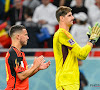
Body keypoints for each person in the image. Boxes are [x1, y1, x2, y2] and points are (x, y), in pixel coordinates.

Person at [53, 6, 100, 90]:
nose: (73, 18)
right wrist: (91, 41)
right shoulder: (62, 34)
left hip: (69, 81)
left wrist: (90, 41)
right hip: (67, 82)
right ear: (62, 18)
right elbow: (81, 54)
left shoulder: (65, 34)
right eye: (69, 15)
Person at [5, 25, 51, 90]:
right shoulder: (14, 53)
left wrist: (36, 68)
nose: (28, 37)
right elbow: (21, 76)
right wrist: (35, 66)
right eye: (26, 35)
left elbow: (25, 74)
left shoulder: (18, 53)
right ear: (18, 36)